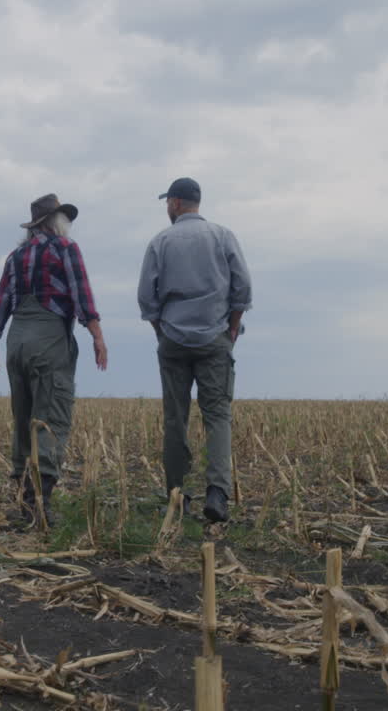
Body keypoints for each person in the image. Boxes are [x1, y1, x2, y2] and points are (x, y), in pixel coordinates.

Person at [0, 193, 108, 528]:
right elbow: (81, 294)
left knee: (23, 419)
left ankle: (24, 499)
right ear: (55, 222)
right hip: (49, 340)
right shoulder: (65, 248)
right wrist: (97, 335)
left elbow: (1, 302)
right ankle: (40, 504)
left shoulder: (16, 256)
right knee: (50, 417)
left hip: (16, 343)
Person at [137, 177, 252, 523]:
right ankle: (217, 494)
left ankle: (178, 497)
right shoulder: (223, 236)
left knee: (176, 418)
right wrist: (231, 326)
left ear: (174, 203)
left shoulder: (161, 241)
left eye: (167, 203)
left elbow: (146, 297)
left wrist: (161, 330)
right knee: (217, 415)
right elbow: (243, 288)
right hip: (215, 338)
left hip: (173, 340)